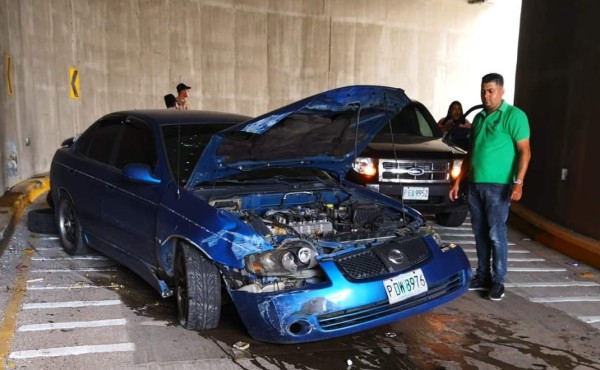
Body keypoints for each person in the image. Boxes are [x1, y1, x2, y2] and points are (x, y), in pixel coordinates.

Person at [449, 73, 531, 301]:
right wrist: (459, 180)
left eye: (490, 91)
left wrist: (519, 182)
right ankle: (482, 275)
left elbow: (525, 151)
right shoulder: (478, 118)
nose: (486, 95)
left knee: (496, 233)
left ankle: (498, 280)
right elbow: (472, 152)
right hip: (475, 184)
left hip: (499, 185)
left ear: (502, 91)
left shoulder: (514, 116)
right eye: (483, 91)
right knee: (479, 233)